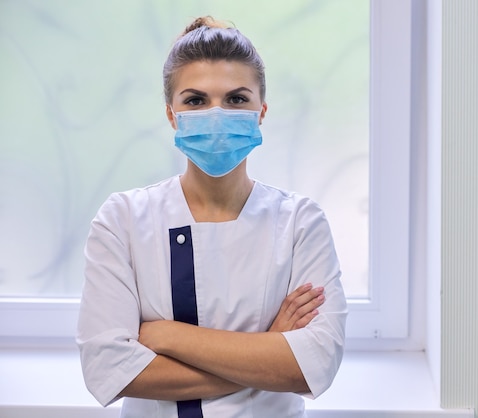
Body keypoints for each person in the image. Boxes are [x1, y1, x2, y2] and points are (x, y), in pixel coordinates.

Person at [76, 16, 348, 418]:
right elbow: (108, 372)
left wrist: (167, 336)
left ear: (261, 111)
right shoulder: (123, 220)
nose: (216, 114)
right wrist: (268, 348)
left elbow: (314, 366)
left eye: (237, 99)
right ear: (172, 114)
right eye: (196, 100)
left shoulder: (300, 223)